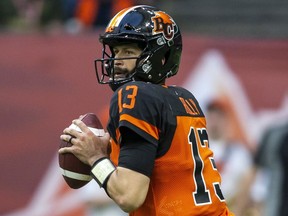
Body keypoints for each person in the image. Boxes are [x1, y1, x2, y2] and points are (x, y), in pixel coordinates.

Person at [59, 5, 234, 215]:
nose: (117, 61)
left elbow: (129, 195)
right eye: (115, 52)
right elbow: (164, 165)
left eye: (128, 51)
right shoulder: (186, 98)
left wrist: (95, 158)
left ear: (160, 56)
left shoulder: (135, 95)